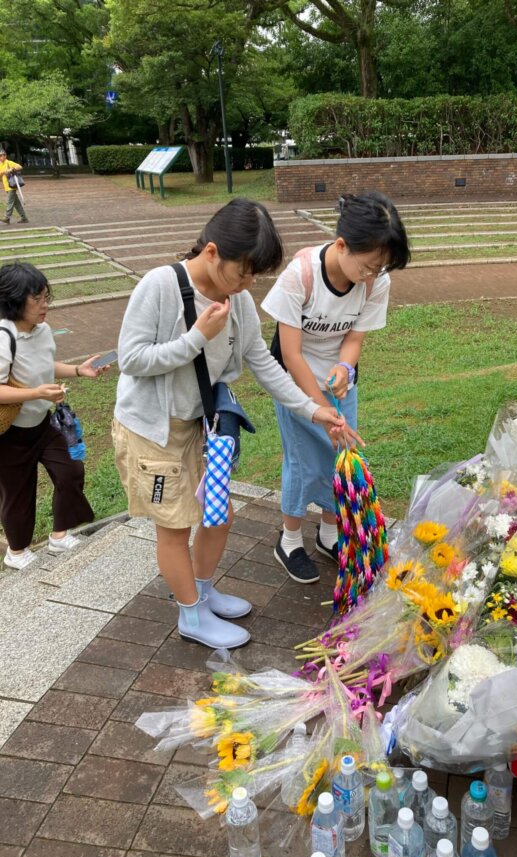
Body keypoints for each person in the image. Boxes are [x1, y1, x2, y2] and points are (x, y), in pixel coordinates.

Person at [112, 198, 355, 651]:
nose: (247, 283)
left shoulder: (238, 299)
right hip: (153, 429)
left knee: (217, 515)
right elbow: (132, 359)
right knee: (175, 525)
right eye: (242, 271)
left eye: (253, 274)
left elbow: (262, 362)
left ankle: (203, 594)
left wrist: (312, 408)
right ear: (210, 252)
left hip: (203, 427)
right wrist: (195, 339)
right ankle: (191, 617)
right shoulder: (160, 286)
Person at [261, 191, 410, 584]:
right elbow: (291, 354)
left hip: (339, 383)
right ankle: (289, 540)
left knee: (339, 457)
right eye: (367, 267)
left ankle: (329, 534)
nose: (372, 276)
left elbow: (355, 338)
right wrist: (317, 409)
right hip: (296, 381)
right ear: (342, 245)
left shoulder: (376, 280)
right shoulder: (301, 275)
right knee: (302, 460)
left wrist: (344, 367)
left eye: (380, 268)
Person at [0, 263, 107, 570]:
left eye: (47, 296)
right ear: (15, 300)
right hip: (10, 434)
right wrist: (37, 394)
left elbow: (46, 364)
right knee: (18, 494)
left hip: (43, 424)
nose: (46, 304)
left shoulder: (43, 331)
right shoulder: (4, 336)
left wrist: (77, 370)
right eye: (38, 298)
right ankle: (17, 553)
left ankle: (59, 536)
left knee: (71, 470)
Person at [0, 150, 28, 225]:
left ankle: (7, 217)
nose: (0, 157)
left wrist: (11, 169)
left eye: (1, 155)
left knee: (10, 202)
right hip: (6, 187)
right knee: (16, 204)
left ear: (5, 156)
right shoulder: (0, 164)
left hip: (11, 186)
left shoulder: (9, 162)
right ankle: (24, 218)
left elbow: (19, 166)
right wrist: (4, 171)